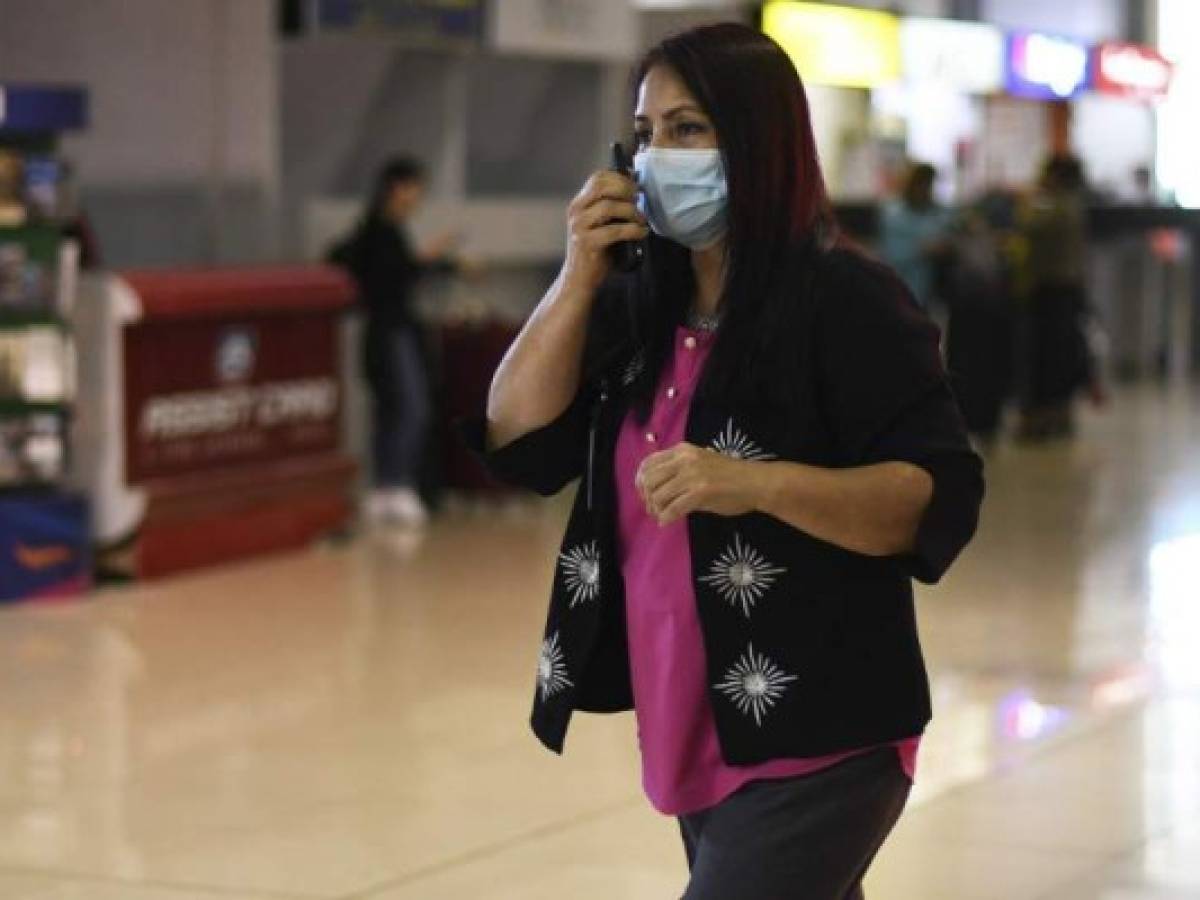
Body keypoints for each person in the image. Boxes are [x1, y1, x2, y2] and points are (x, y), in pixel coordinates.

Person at [462, 22, 983, 899]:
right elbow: (516, 434)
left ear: (758, 140)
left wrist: (755, 484)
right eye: (647, 132)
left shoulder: (844, 300)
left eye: (689, 129)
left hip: (820, 729)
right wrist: (578, 274)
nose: (657, 154)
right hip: (693, 718)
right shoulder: (641, 307)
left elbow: (935, 497)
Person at [330, 157, 460, 527]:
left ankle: (388, 486)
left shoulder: (388, 231)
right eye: (414, 188)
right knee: (410, 407)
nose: (417, 197)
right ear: (397, 188)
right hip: (389, 332)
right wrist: (429, 259)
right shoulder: (379, 232)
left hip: (391, 330)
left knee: (395, 410)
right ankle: (395, 484)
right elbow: (393, 277)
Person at [1016, 154, 1095, 441]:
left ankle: (1043, 418)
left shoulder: (1057, 207)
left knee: (1046, 357)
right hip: (1067, 290)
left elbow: (1027, 225)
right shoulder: (1074, 204)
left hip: (1051, 291)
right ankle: (1059, 415)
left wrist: (1027, 199)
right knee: (1061, 356)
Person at [878, 162, 952, 310]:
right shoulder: (894, 215)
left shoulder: (938, 213)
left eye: (929, 185)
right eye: (922, 184)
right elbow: (890, 254)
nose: (926, 190)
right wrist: (923, 249)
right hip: (900, 291)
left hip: (930, 295)